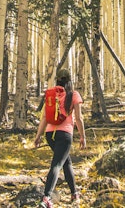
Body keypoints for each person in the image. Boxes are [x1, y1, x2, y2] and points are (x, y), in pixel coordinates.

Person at [33, 69, 87, 206]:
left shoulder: (51, 94)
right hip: (65, 135)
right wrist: (82, 137)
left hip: (50, 134)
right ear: (69, 81)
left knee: (66, 162)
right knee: (57, 164)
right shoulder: (73, 95)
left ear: (57, 80)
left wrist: (38, 136)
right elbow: (79, 119)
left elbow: (44, 117)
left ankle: (74, 193)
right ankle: (47, 198)